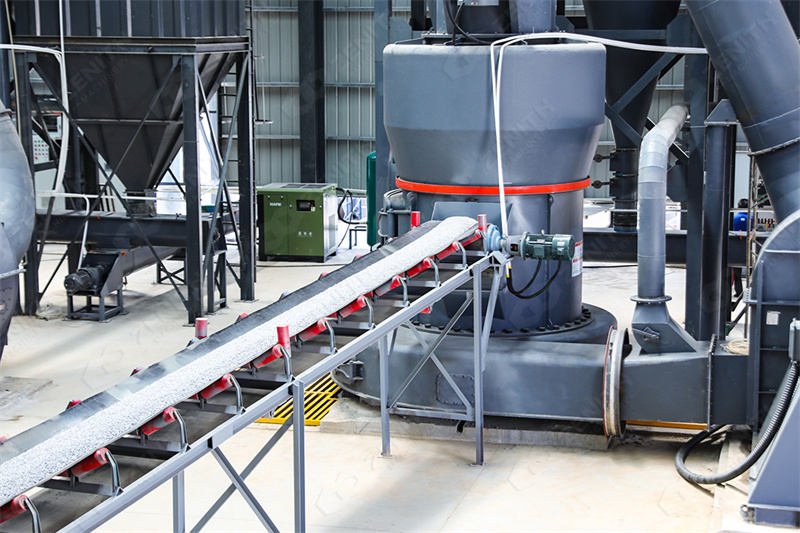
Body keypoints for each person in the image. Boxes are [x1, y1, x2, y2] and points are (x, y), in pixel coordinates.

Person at [732, 199, 749, 298]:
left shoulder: (734, 218)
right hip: (749, 247)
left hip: (736, 247)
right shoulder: (751, 218)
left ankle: (739, 291)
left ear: (738, 207)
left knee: (736, 271)